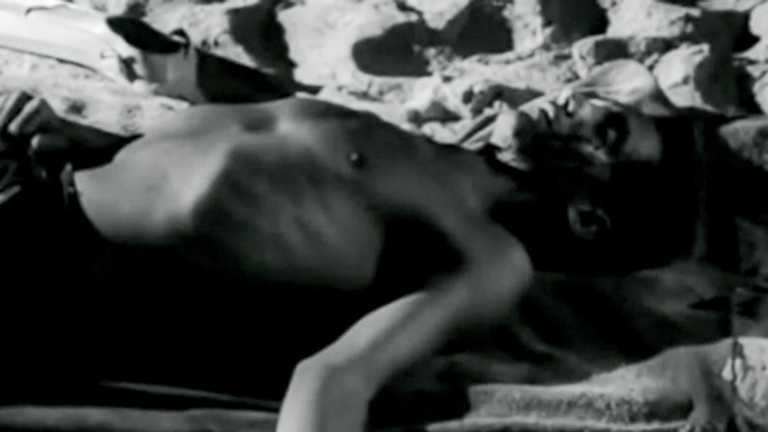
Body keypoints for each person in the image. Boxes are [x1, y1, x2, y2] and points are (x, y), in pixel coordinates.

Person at [0, 60, 699, 432]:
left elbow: (337, 377)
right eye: (597, 98)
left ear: (588, 216)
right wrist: (78, 135)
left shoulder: (490, 254)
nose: (579, 101)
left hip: (42, 258)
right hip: (36, 174)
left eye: (609, 132)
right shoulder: (416, 144)